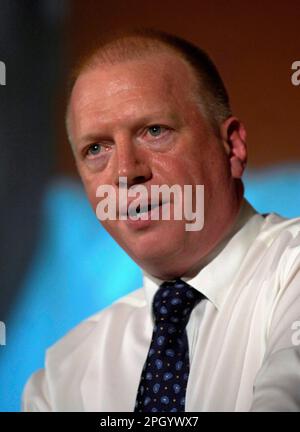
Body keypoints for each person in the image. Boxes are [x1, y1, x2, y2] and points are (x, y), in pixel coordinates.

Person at [22, 29, 300, 412]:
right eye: (96, 149)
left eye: (154, 131)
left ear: (232, 147)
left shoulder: (292, 272)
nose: (125, 172)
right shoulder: (63, 376)